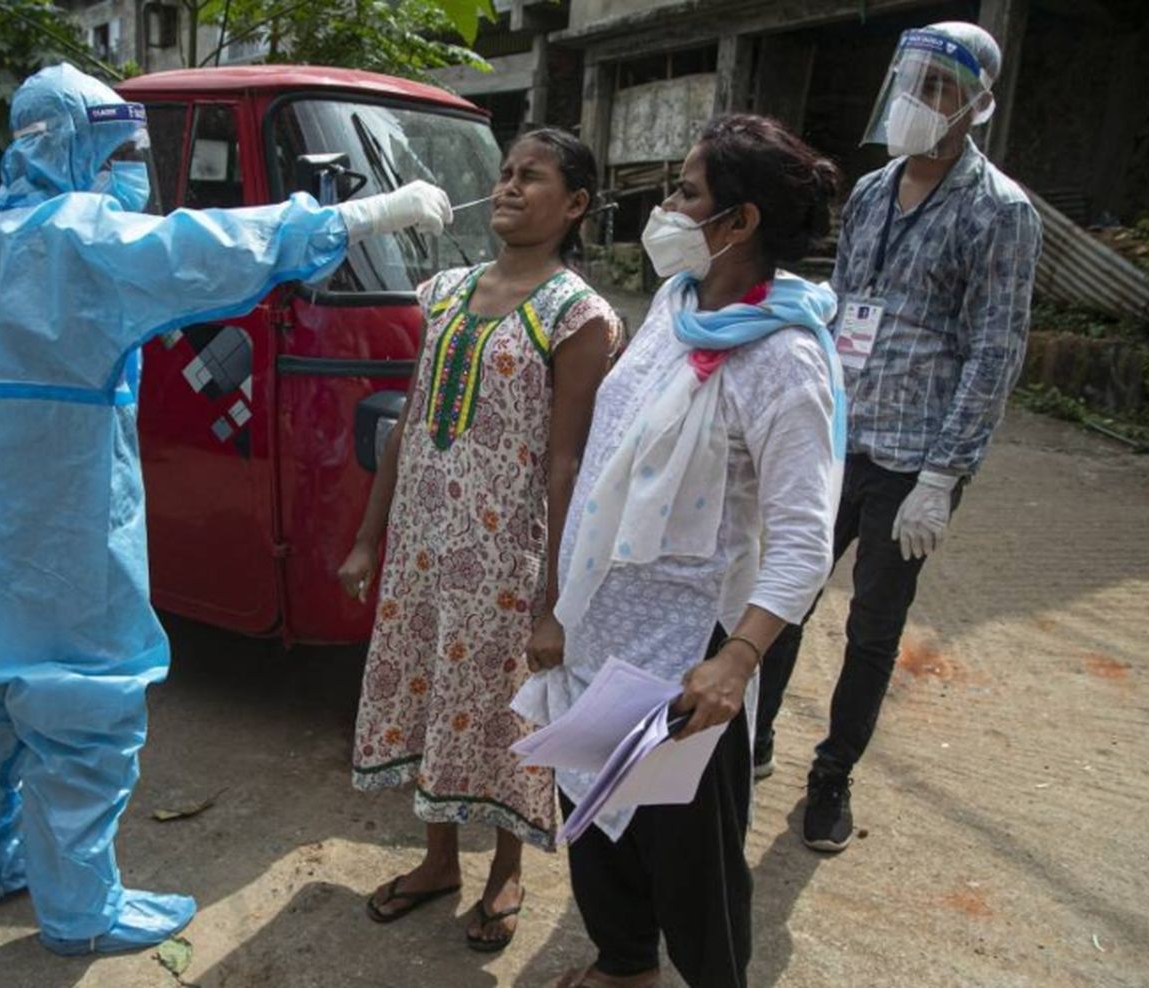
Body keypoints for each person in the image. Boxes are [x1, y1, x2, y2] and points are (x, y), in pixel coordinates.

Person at [0, 63, 450, 956]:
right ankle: (79, 913)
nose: (130, 172)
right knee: (81, 719)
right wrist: (362, 215)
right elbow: (209, 247)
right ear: (77, 148)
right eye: (118, 151)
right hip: (52, 532)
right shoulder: (81, 240)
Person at [514, 113, 844, 988]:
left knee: (688, 854)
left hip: (688, 650)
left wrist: (737, 660)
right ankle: (624, 963)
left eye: (685, 193)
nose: (665, 207)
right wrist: (557, 601)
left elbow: (806, 539)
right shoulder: (675, 305)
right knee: (593, 805)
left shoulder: (785, 361)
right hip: (601, 624)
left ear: (738, 224)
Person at [753, 21, 1042, 853]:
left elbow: (996, 349)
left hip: (912, 458)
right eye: (912, 80)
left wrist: (943, 477)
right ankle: (757, 738)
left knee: (873, 629)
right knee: (786, 595)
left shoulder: (1001, 213)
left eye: (941, 88)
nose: (920, 100)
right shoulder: (875, 190)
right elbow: (845, 303)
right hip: (838, 436)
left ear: (976, 105)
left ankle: (831, 776)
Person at [339, 128, 619, 952]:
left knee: (504, 715)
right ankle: (436, 862)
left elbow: (568, 463)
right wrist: (368, 537)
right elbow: (411, 424)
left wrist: (558, 601)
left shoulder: (579, 316)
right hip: (425, 548)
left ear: (573, 206)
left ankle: (505, 872)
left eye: (531, 178)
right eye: (504, 174)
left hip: (507, 559)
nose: (508, 187)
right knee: (430, 696)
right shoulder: (446, 293)